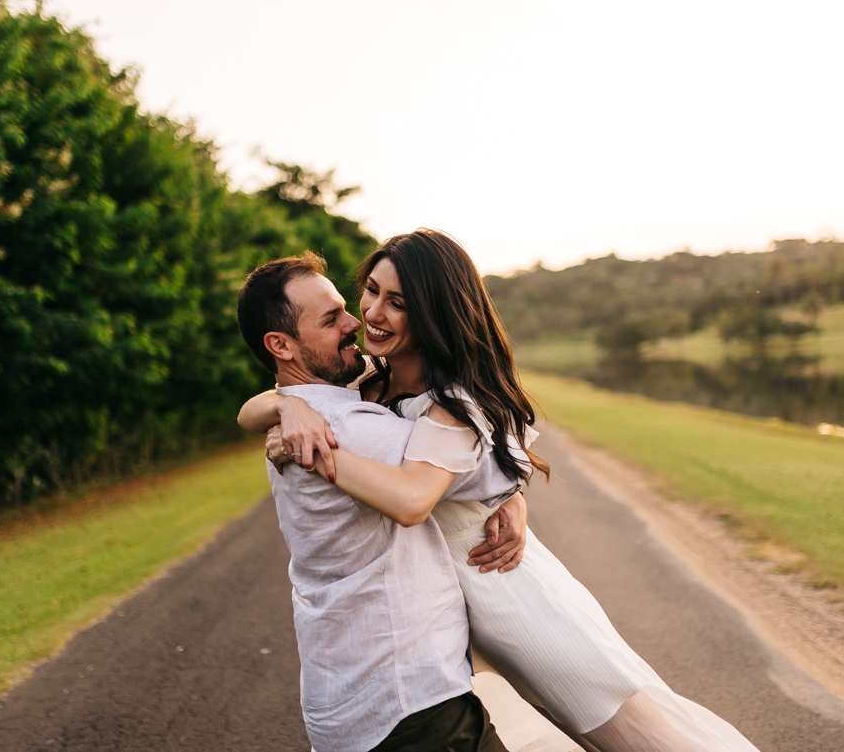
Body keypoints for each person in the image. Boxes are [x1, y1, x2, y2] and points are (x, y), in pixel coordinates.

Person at [241, 230, 762, 752]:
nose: (370, 313)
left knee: (620, 719)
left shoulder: (454, 403)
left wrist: (509, 497)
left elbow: (435, 487)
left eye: (397, 303)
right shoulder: (365, 386)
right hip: (444, 604)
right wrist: (287, 406)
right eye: (371, 290)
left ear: (433, 314)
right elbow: (269, 401)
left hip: (501, 583)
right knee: (532, 720)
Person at [236, 252, 525, 752]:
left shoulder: (308, 414)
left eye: (346, 306)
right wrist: (513, 489)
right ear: (280, 344)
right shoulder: (355, 430)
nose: (356, 321)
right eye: (331, 319)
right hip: (411, 702)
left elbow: (254, 409)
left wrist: (281, 402)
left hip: (347, 703)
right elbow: (486, 464)